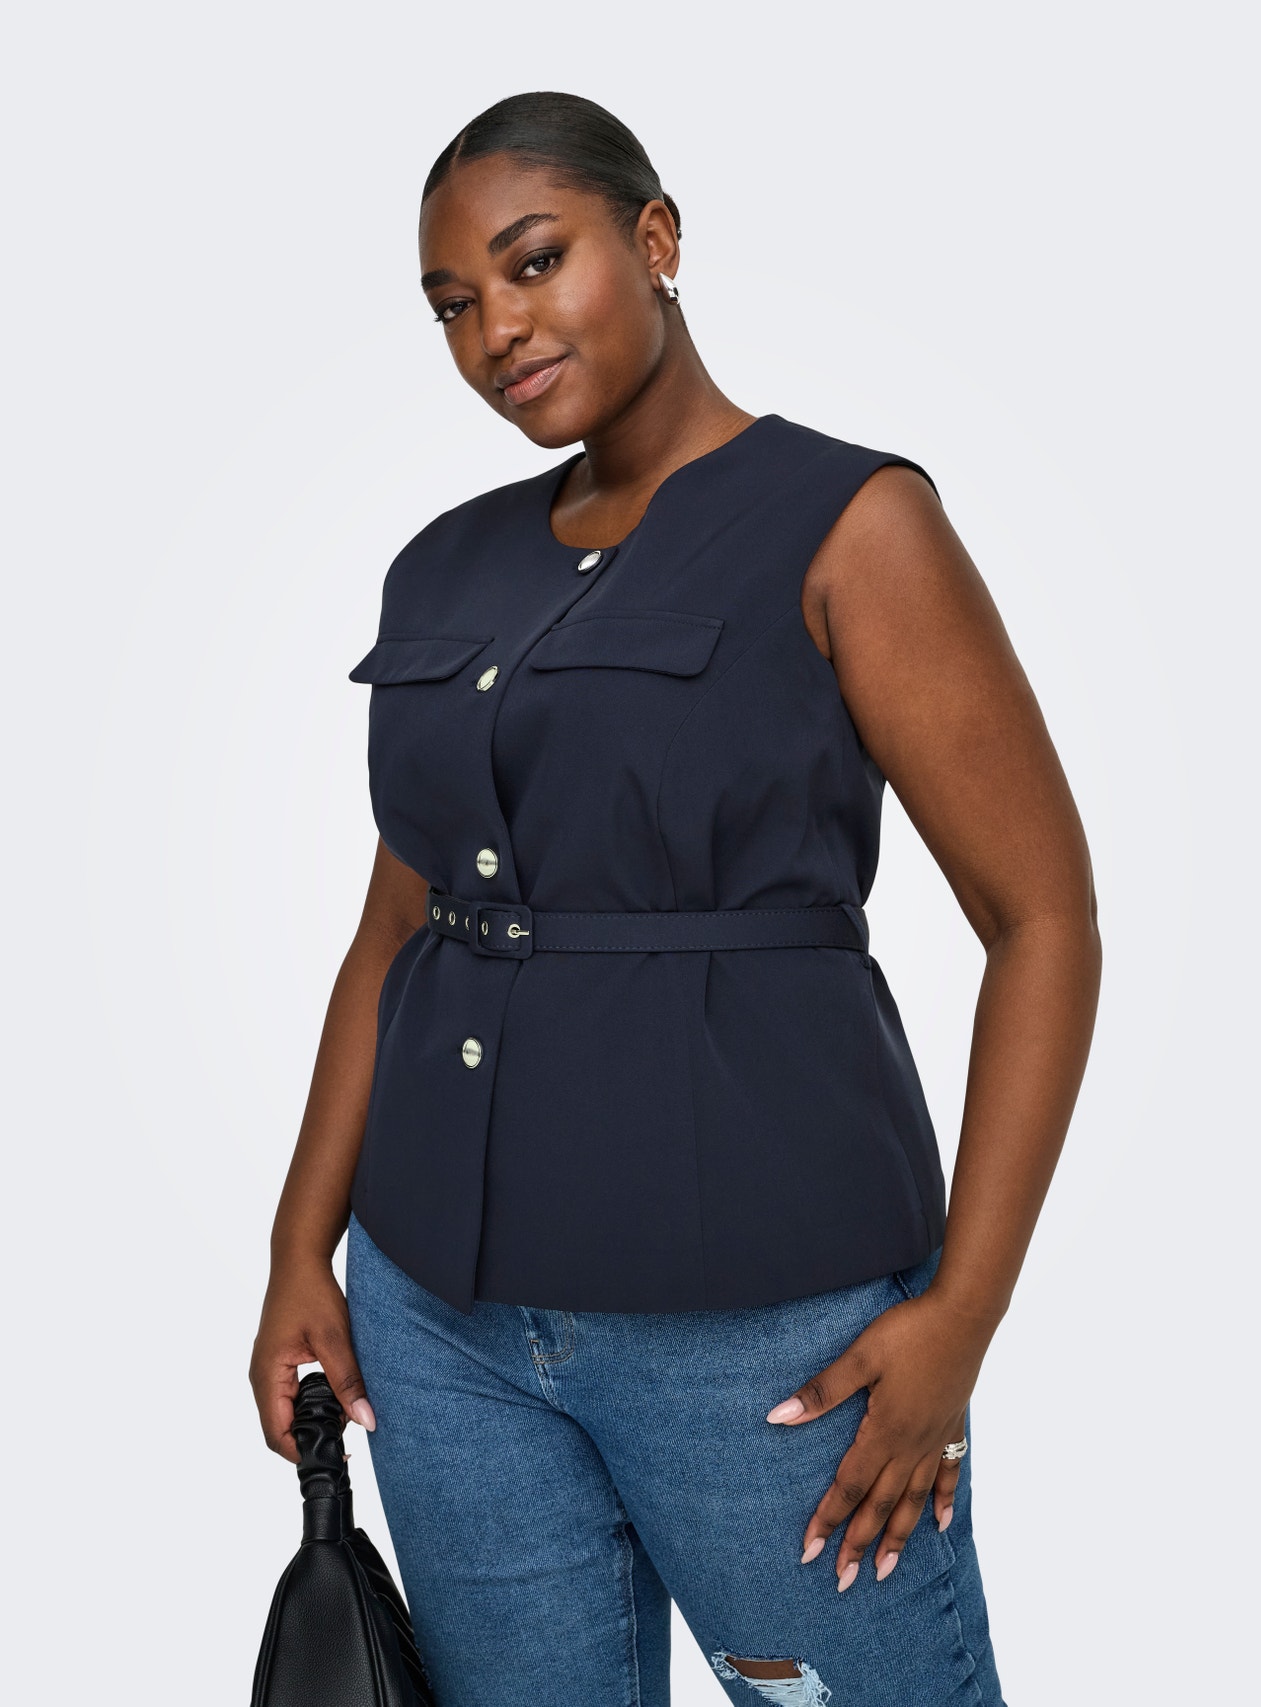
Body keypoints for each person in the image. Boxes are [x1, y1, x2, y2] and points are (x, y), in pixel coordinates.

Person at [249, 90, 1101, 1706]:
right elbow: (395, 936)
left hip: (762, 1343)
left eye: (535, 263)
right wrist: (303, 1245)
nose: (498, 330)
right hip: (440, 1324)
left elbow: (1043, 921)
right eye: (453, 304)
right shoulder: (445, 566)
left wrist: (963, 1318)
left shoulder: (851, 523)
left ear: (656, 239)